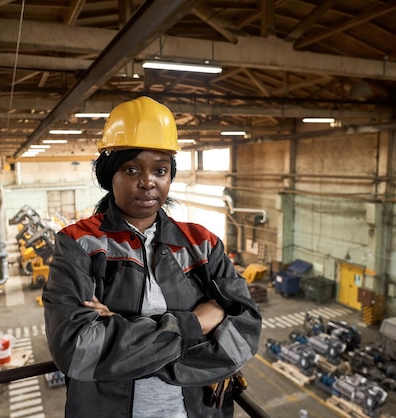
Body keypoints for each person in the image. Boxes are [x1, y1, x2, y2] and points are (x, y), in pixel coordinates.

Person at [42, 96, 262, 418]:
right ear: (108, 176)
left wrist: (123, 336)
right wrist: (197, 324)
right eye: (131, 169)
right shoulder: (79, 244)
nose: (147, 182)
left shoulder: (202, 243)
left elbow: (244, 335)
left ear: (170, 177)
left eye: (160, 170)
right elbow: (76, 349)